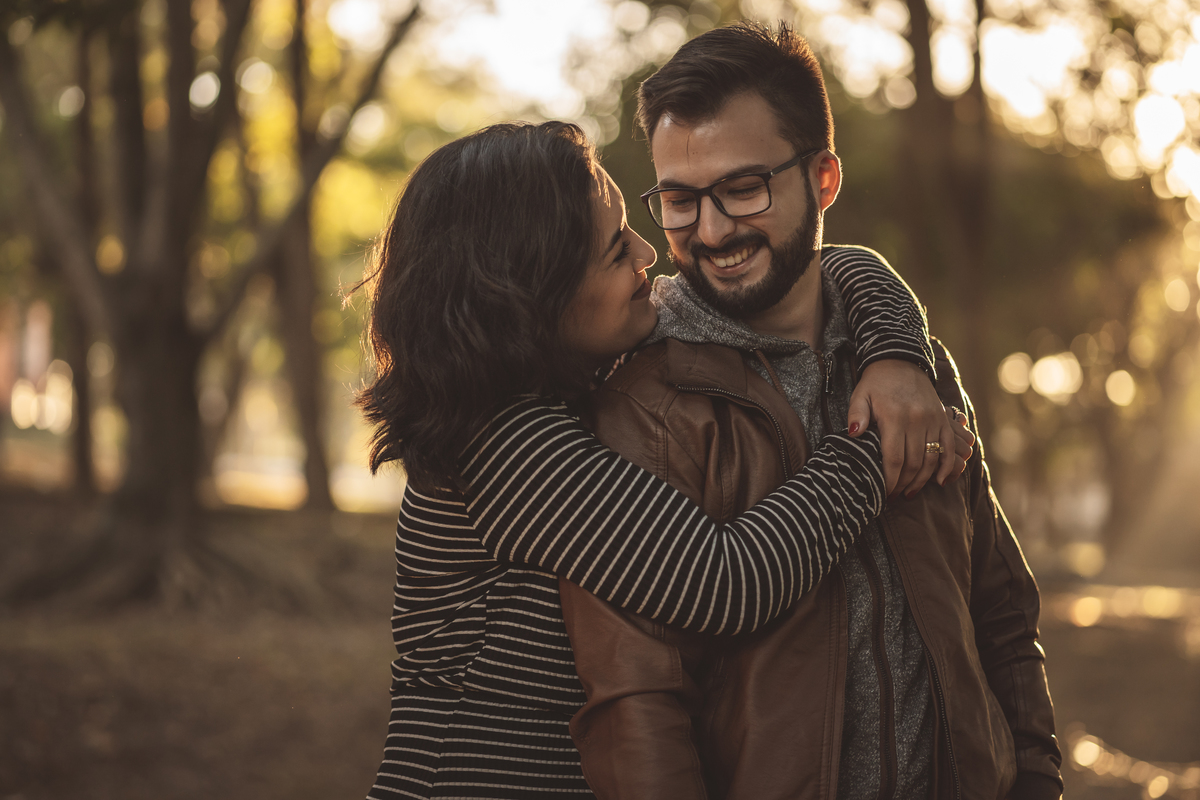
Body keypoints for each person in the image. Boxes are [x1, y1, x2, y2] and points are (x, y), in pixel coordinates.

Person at [358, 120, 970, 799]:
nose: (649, 253)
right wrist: (874, 440)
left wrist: (893, 355)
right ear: (532, 292)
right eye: (618, 249)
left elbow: (832, 266)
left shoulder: (557, 395)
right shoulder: (504, 447)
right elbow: (725, 581)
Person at [559, 21, 1061, 800]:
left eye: (743, 187)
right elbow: (637, 704)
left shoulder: (914, 370)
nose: (712, 230)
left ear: (823, 180)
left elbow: (997, 612)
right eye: (681, 200)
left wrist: (1035, 780)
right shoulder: (645, 401)